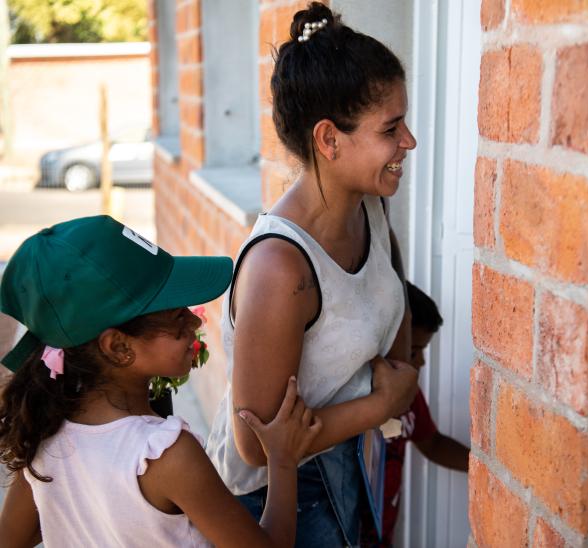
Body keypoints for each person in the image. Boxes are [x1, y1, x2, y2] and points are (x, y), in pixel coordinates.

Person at [205, 3, 420, 546]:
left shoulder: (371, 207)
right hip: (276, 499)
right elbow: (259, 444)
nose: (409, 143)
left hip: (346, 463)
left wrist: (383, 390)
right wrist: (383, 404)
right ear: (329, 140)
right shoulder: (280, 268)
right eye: (391, 128)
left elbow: (393, 326)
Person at [0, 215, 321, 548]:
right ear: (119, 347)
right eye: (175, 317)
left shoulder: (44, 434)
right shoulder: (164, 455)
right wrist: (282, 459)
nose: (193, 322)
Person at [362, 282, 470, 547]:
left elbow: (432, 443)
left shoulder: (408, 398)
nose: (421, 362)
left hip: (382, 535)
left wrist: (482, 467)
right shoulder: (354, 399)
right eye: (413, 351)